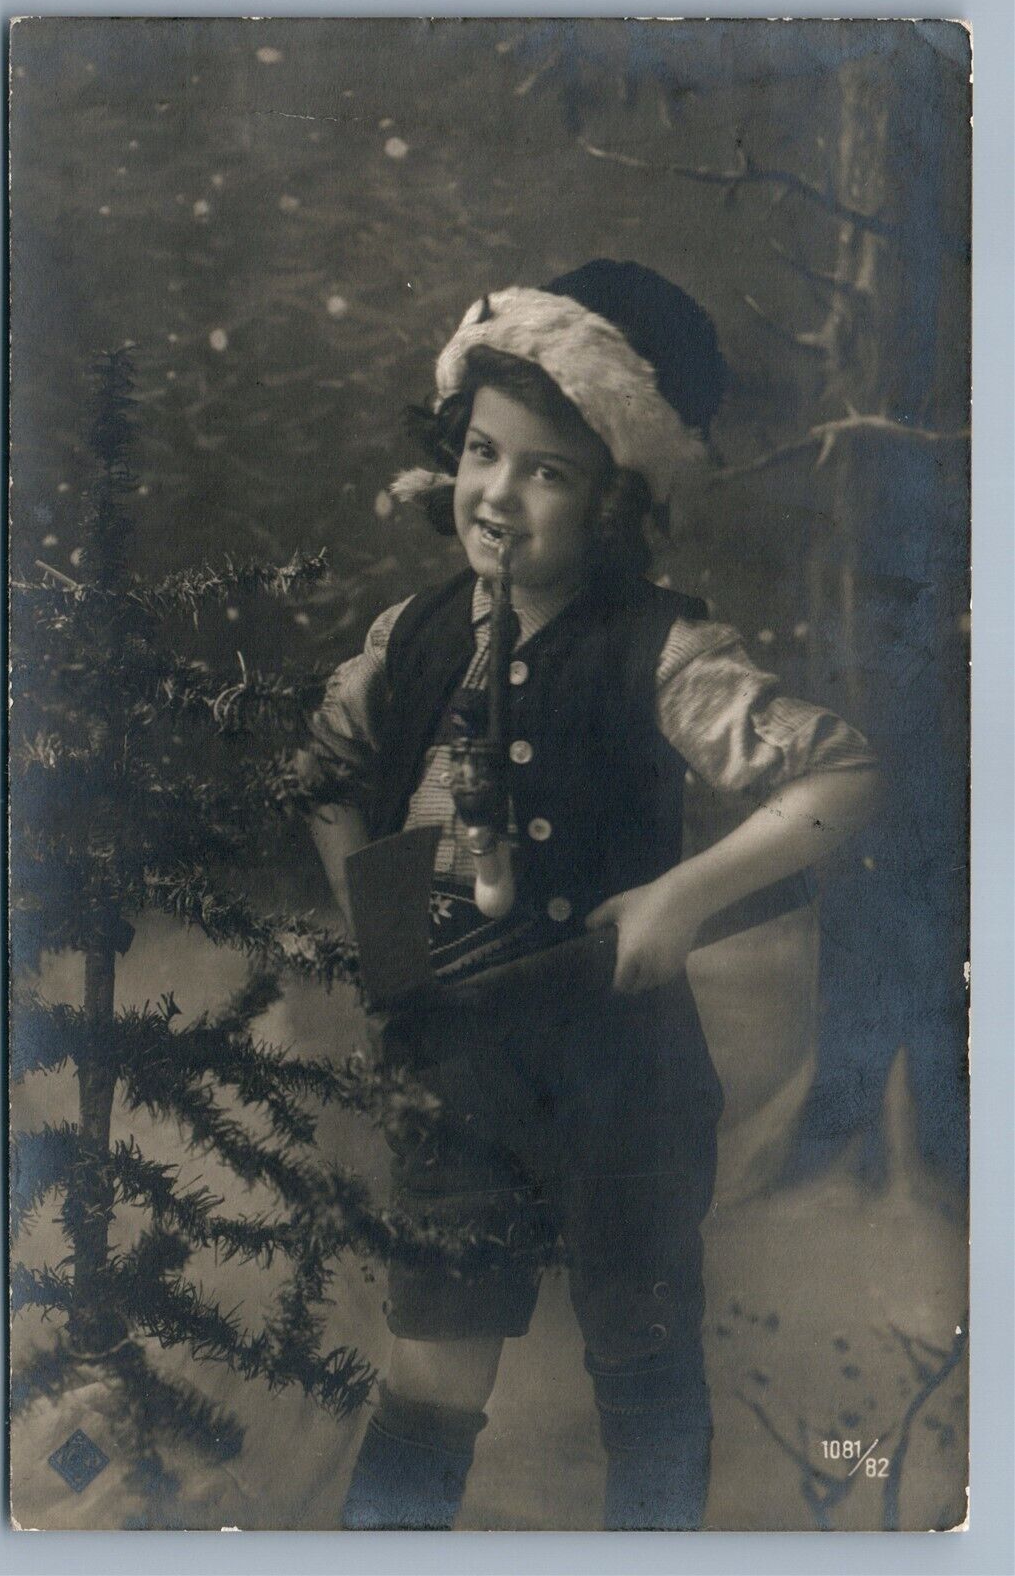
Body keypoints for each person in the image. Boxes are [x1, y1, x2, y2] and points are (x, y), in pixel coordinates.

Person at [295, 260, 882, 1530]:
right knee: (432, 1370)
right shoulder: (413, 637)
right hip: (453, 1073)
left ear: (614, 500)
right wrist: (383, 946)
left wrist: (679, 896)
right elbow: (324, 773)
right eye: (483, 454)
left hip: (619, 1082)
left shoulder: (660, 650)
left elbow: (838, 775)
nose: (498, 496)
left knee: (643, 1365)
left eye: (548, 471)